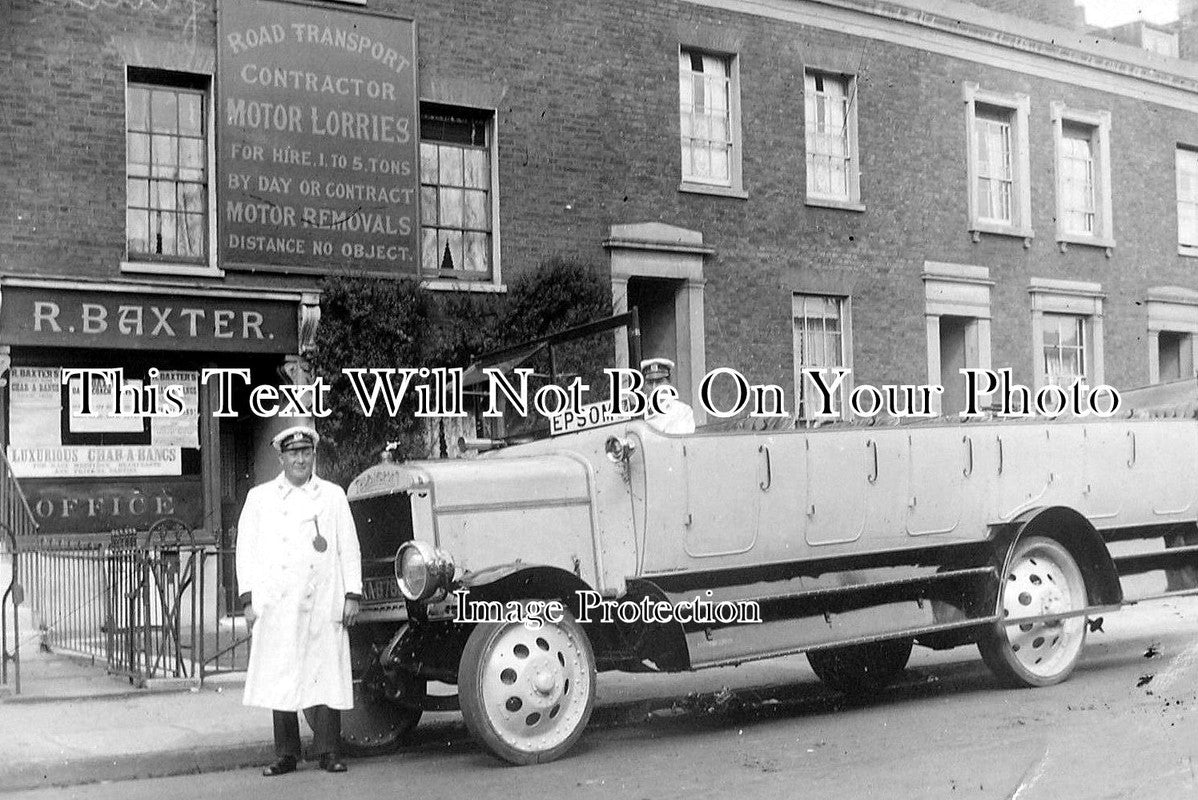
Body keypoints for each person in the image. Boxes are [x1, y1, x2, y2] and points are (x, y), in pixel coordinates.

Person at [236, 424, 363, 776]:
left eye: (306, 453)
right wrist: (248, 600)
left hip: (323, 599)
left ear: (313, 455)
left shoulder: (333, 495)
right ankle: (286, 754)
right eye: (294, 453)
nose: (300, 459)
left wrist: (352, 594)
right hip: (278, 603)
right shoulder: (260, 498)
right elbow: (245, 551)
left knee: (325, 673)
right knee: (282, 675)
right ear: (281, 457)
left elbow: (348, 547)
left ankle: (329, 751)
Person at [641, 357, 696, 434]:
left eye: (659, 382)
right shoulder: (638, 412)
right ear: (643, 386)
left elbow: (675, 442)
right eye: (650, 383)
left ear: (669, 383)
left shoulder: (681, 411)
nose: (654, 387)